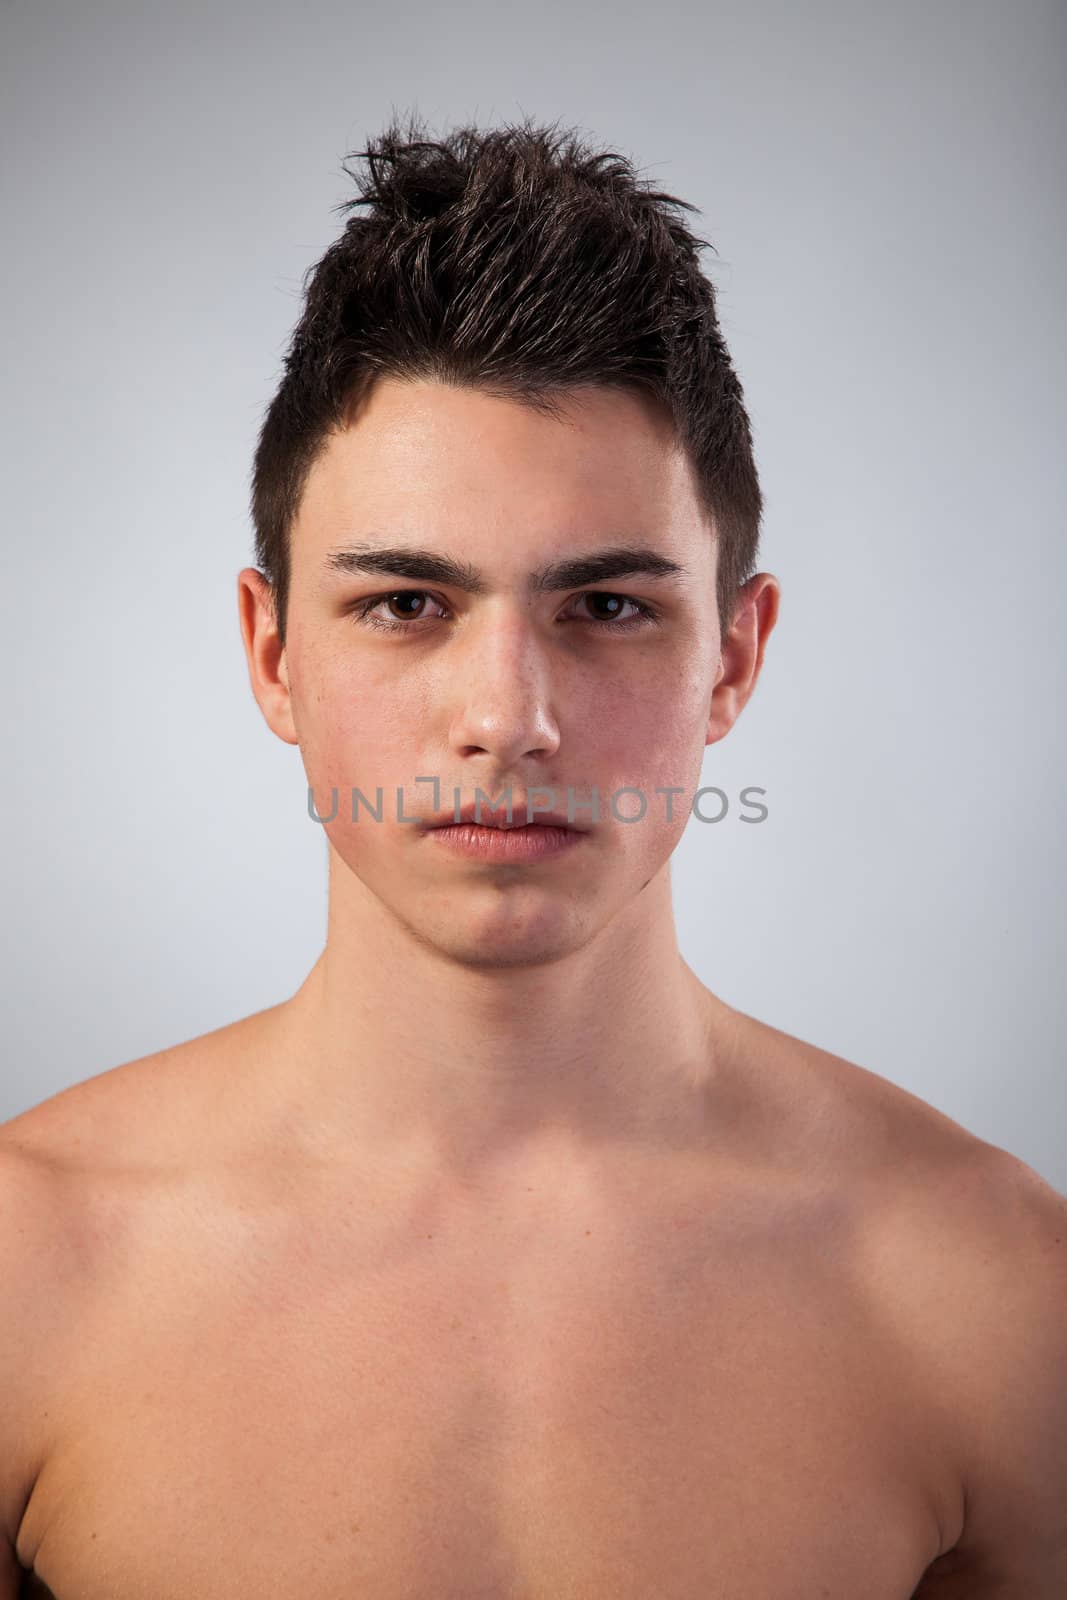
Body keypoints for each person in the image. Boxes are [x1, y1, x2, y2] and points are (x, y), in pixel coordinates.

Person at [2, 115, 1064, 1600]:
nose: (509, 718)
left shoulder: (999, 1296)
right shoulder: (28, 1268)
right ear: (272, 652)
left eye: (609, 607)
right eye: (405, 604)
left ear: (733, 659)